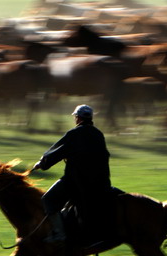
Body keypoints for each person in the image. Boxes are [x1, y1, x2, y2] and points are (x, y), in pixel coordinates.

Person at [31, 105, 112, 248]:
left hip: (76, 181)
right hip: (100, 182)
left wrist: (42, 164)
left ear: (77, 118)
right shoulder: (98, 134)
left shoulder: (74, 134)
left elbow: (56, 152)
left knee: (48, 200)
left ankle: (59, 234)